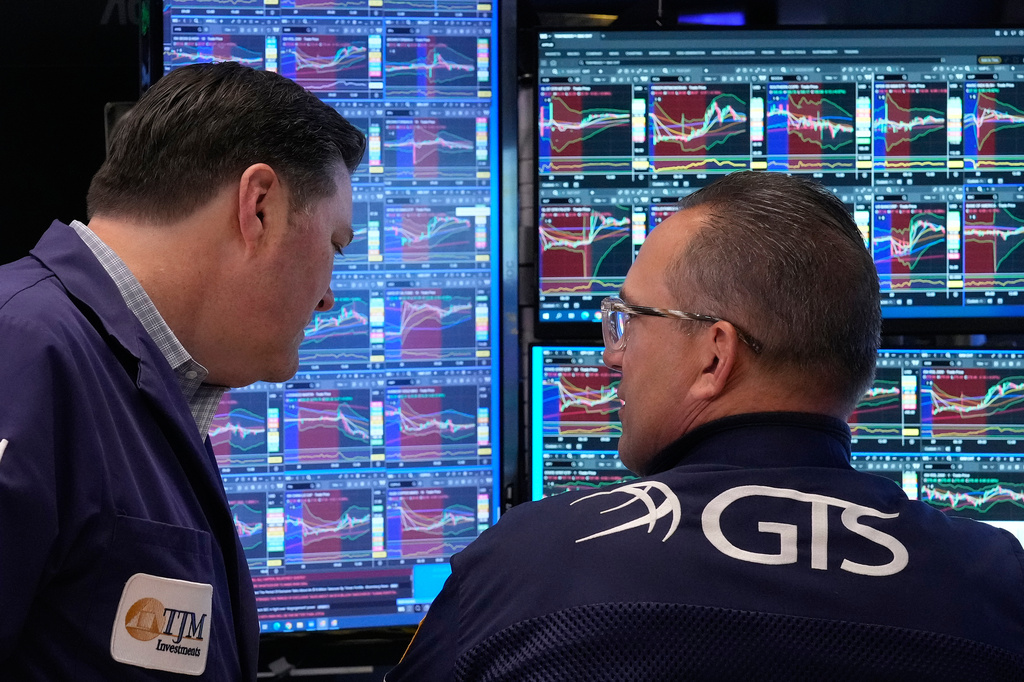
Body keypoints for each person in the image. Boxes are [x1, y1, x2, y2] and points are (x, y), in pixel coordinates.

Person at [388, 171, 1024, 680]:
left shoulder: (525, 567)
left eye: (630, 320)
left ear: (715, 354)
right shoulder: (997, 586)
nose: (612, 354)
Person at [0, 61, 365, 680]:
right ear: (259, 206)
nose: (330, 297)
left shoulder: (123, 374)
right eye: (334, 245)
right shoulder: (21, 352)